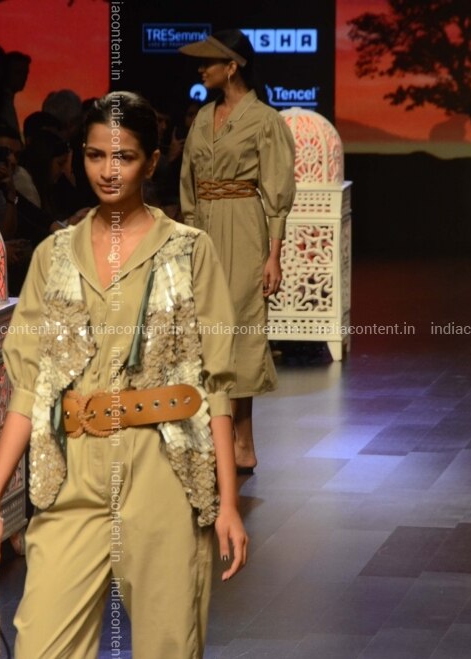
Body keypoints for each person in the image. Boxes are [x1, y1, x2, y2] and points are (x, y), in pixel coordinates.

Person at [0, 91, 247, 658]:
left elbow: (216, 385)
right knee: (41, 644)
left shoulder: (190, 252)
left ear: (151, 161)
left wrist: (228, 503)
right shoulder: (54, 255)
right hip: (71, 470)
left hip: (164, 467)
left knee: (168, 646)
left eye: (124, 156)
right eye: (95, 155)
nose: (108, 170)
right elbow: (28, 389)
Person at [179, 29, 296, 473]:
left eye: (209, 61)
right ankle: (222, 439)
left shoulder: (264, 120)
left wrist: (274, 255)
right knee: (207, 332)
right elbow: (188, 182)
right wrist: (189, 240)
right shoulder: (202, 117)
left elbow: (277, 191)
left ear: (232, 67)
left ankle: (241, 442)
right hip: (204, 229)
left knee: (241, 331)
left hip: (245, 228)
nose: (200, 69)